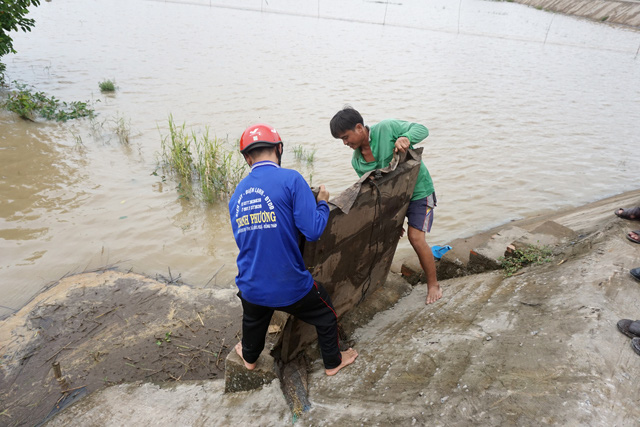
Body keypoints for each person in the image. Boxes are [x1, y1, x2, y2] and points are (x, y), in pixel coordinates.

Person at [229, 123, 358, 376]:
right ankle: (333, 362)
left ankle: (250, 357)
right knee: (325, 312)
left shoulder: (237, 194)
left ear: (247, 158)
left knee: (254, 318)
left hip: (250, 286)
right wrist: (321, 203)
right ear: (279, 149)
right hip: (290, 287)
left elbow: (244, 239)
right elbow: (312, 231)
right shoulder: (291, 179)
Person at [330, 106, 443, 305]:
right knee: (383, 237)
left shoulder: (387, 128)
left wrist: (405, 137)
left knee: (415, 238)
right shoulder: (357, 161)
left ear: (359, 127)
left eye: (346, 137)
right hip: (393, 201)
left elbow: (422, 129)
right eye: (341, 140)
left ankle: (433, 284)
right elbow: (374, 190)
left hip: (419, 191)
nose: (345, 143)